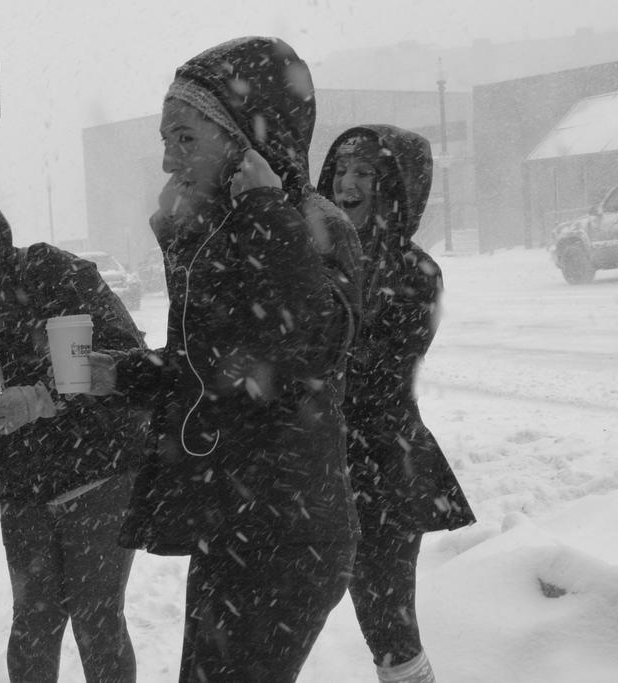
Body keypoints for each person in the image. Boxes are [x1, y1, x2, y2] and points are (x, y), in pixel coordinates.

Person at [87, 37, 361, 682]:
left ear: (246, 139)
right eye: (164, 140)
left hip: (290, 532)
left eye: (184, 137)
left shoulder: (311, 221)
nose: (166, 160)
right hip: (236, 521)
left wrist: (263, 207)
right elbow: (216, 370)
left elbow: (313, 345)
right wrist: (120, 372)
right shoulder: (227, 229)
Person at [0, 160, 148, 683]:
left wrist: (43, 396)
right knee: (33, 632)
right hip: (24, 490)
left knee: (96, 622)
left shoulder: (47, 271)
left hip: (99, 475)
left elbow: (125, 354)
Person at [317, 125, 476, 683]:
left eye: (363, 173)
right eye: (339, 171)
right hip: (311, 459)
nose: (346, 183)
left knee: (387, 622)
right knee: (274, 613)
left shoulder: (417, 273)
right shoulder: (315, 259)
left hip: (382, 464)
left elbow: (377, 376)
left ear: (394, 188)